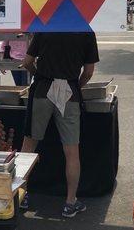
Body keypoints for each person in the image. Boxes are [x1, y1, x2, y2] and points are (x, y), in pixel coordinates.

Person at [20, 32, 99, 218]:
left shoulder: (46, 28)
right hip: (69, 90)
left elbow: (27, 62)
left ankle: (21, 194)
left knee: (28, 147)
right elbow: (88, 72)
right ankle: (70, 202)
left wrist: (37, 74)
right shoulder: (86, 32)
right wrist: (76, 85)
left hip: (43, 88)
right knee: (72, 151)